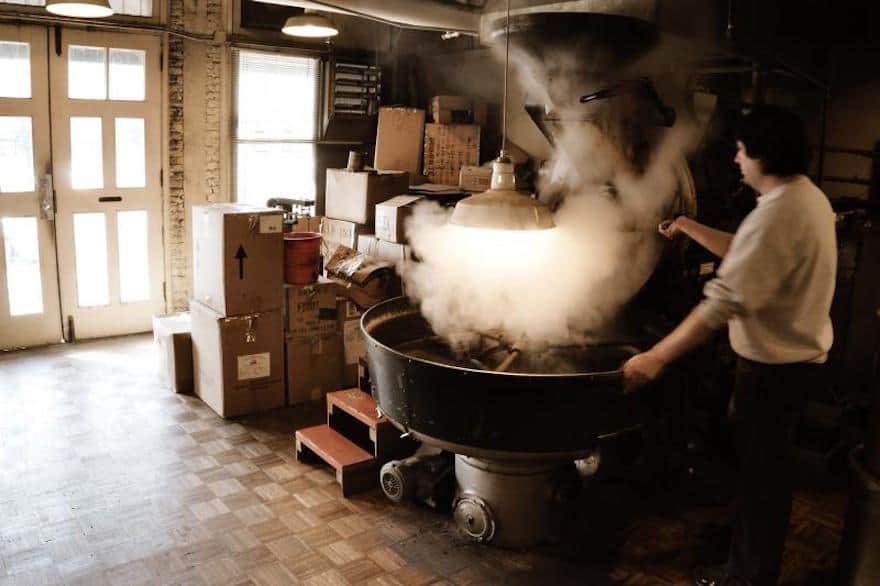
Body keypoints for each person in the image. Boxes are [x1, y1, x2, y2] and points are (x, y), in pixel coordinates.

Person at [623, 105, 837, 586]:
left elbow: (722, 301)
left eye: (741, 151)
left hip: (774, 371)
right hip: (797, 364)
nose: (737, 160)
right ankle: (747, 553)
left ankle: (749, 576)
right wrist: (686, 224)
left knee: (765, 482)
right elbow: (747, 249)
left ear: (762, 155)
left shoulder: (779, 215)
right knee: (764, 473)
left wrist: (657, 357)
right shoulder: (804, 199)